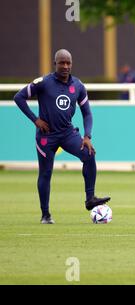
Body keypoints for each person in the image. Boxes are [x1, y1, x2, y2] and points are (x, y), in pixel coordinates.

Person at [13, 49, 111, 224]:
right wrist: (35, 120)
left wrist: (87, 136)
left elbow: (87, 113)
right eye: (62, 63)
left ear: (72, 64)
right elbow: (19, 97)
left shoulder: (78, 86)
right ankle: (45, 214)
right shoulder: (43, 83)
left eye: (68, 63)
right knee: (45, 173)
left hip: (67, 133)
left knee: (89, 154)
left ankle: (90, 199)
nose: (65, 66)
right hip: (46, 136)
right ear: (55, 63)